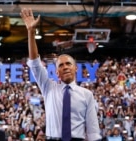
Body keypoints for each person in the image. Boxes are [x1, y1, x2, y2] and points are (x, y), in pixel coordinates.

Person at [20, 8, 102, 141]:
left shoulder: (87, 95)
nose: (65, 67)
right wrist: (30, 32)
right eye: (61, 65)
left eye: (68, 64)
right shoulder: (49, 88)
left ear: (75, 68)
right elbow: (35, 63)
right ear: (57, 73)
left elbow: (93, 130)